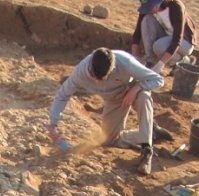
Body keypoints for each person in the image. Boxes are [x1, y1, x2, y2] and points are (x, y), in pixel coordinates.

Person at [46, 47, 171, 176]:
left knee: (144, 97)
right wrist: (53, 122)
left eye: (102, 78)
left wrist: (136, 88)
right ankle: (151, 132)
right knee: (109, 140)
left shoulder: (125, 62)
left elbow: (158, 80)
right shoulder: (80, 72)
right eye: (94, 76)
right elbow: (62, 95)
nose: (97, 82)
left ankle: (146, 149)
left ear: (113, 68)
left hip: (130, 90)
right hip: (113, 100)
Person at [131, 0, 197, 72]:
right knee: (146, 20)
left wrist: (160, 65)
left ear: (157, 2)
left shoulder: (176, 6)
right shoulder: (147, 9)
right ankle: (151, 62)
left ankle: (183, 62)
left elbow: (177, 39)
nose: (148, 10)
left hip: (184, 42)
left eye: (150, 7)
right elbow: (137, 32)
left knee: (159, 47)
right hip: (166, 37)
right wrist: (134, 58)